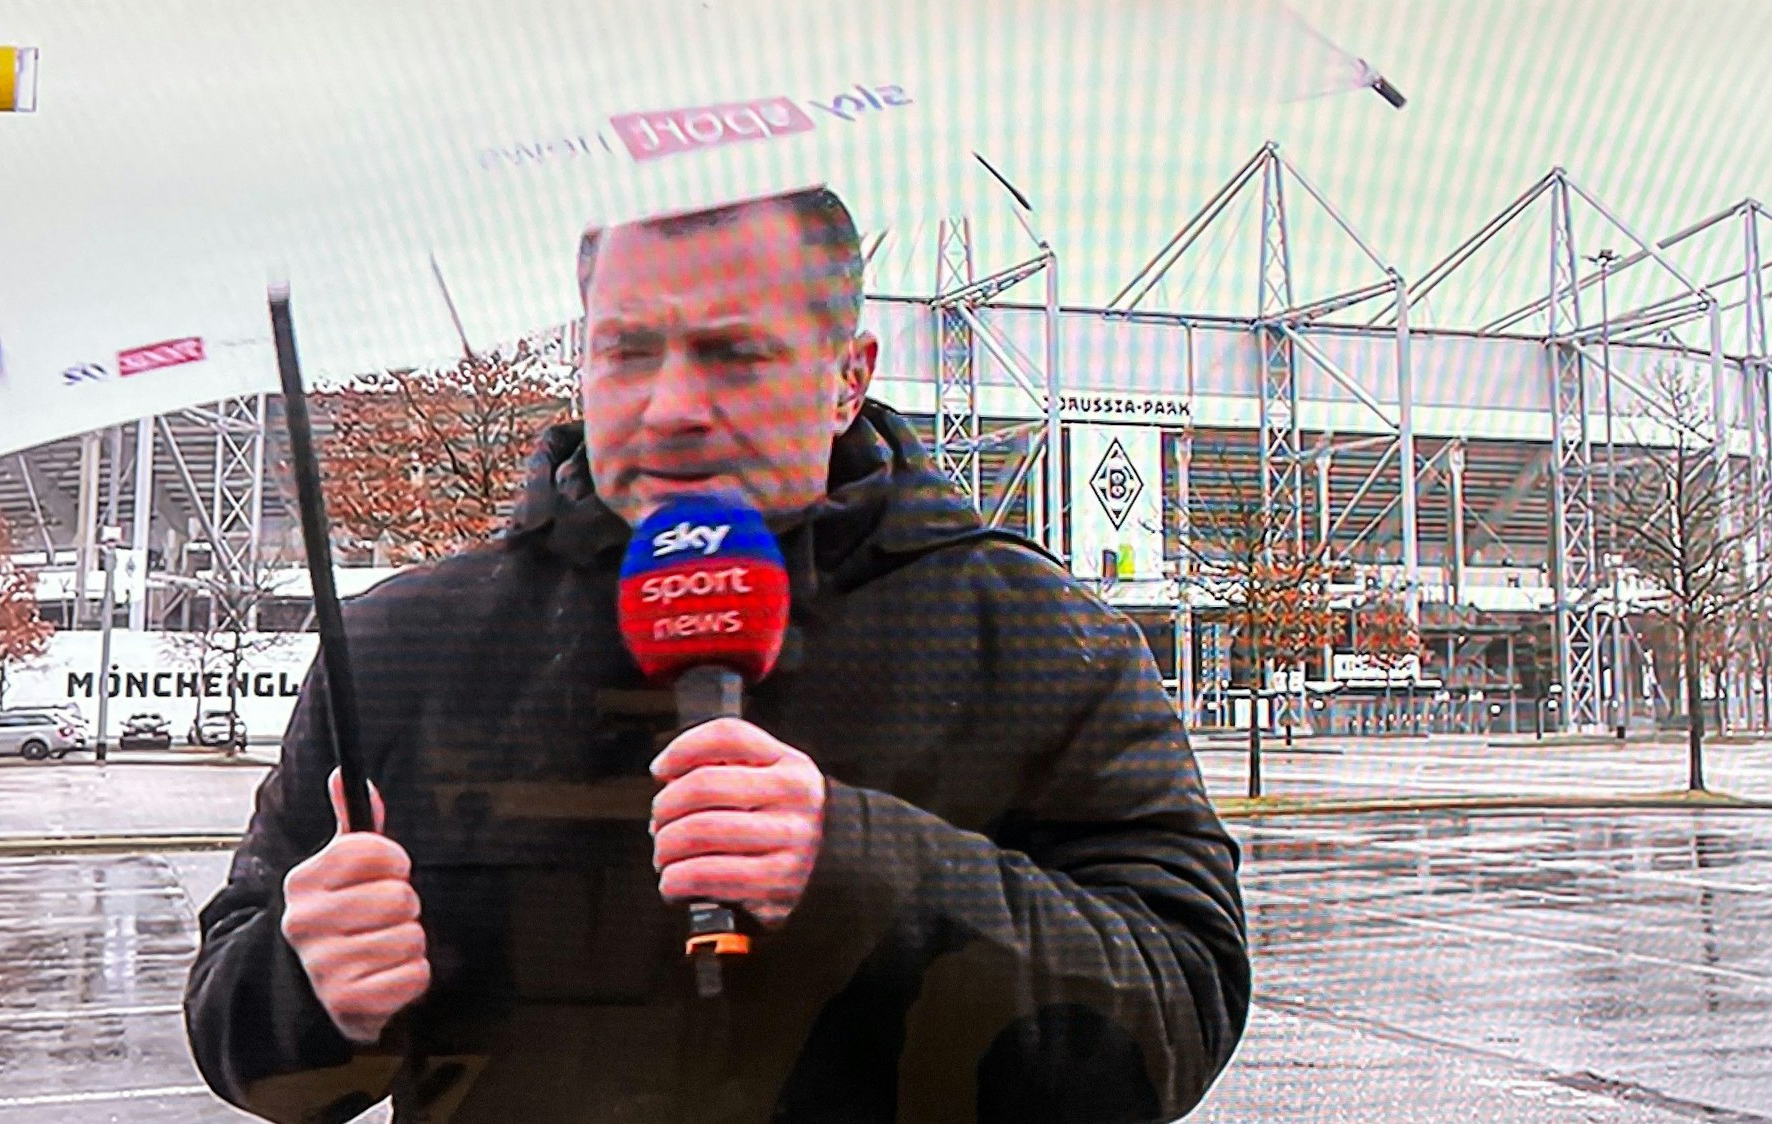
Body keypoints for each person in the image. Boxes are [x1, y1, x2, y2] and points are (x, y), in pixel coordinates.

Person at [185, 186, 1249, 1123]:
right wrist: (308, 987)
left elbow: (1176, 1017)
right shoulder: (401, 646)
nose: (672, 408)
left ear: (847, 376)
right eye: (628, 350)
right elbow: (255, 1058)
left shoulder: (1030, 636)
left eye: (734, 354)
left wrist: (862, 869)